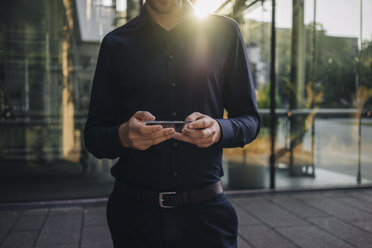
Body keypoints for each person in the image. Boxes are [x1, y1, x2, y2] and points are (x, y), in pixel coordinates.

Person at [84, 0, 260, 247]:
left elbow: (251, 120)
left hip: (206, 216)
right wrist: (124, 136)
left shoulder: (225, 33)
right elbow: (93, 135)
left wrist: (219, 129)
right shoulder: (116, 43)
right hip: (134, 218)